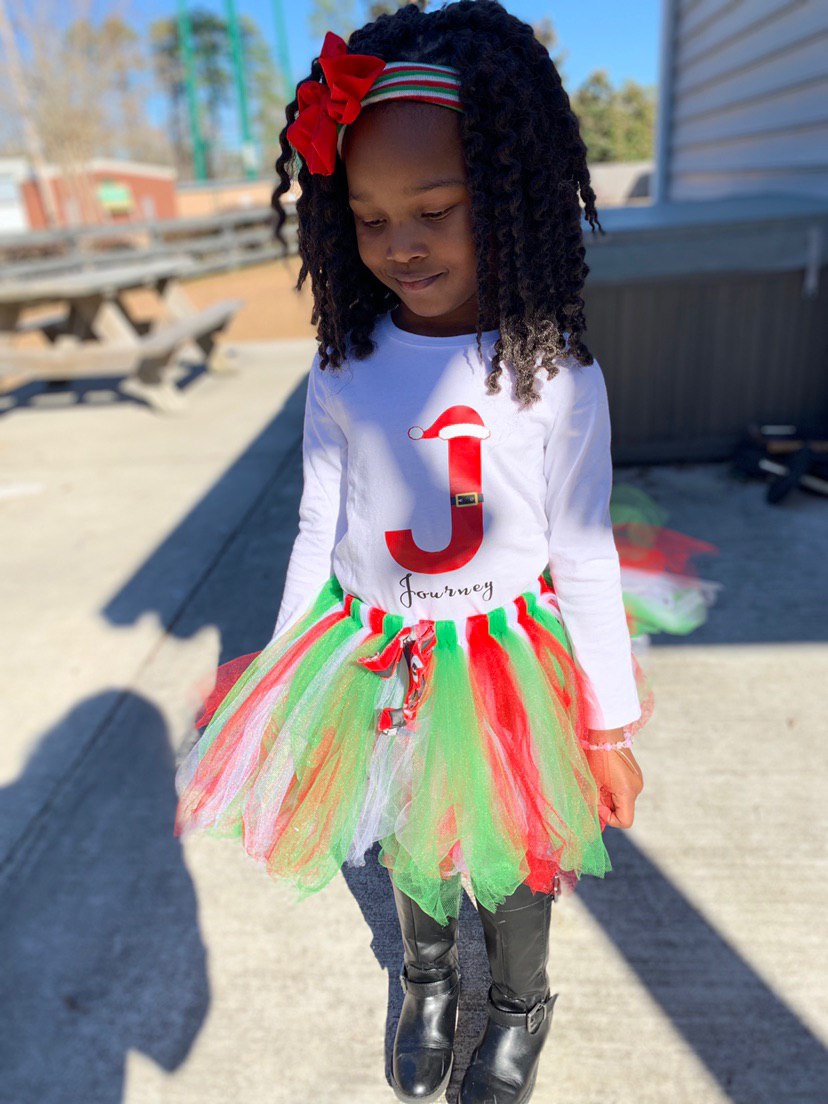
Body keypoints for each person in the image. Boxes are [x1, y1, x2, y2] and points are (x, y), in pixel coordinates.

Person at [173, 4, 715, 1102]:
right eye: (368, 219)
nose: (399, 244)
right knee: (405, 831)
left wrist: (608, 724)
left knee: (512, 856)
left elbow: (585, 550)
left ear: (510, 202)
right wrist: (278, 675)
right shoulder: (343, 366)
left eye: (434, 209)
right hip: (374, 648)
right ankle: (426, 981)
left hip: (504, 655)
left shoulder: (558, 374)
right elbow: (318, 522)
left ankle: (519, 1003)